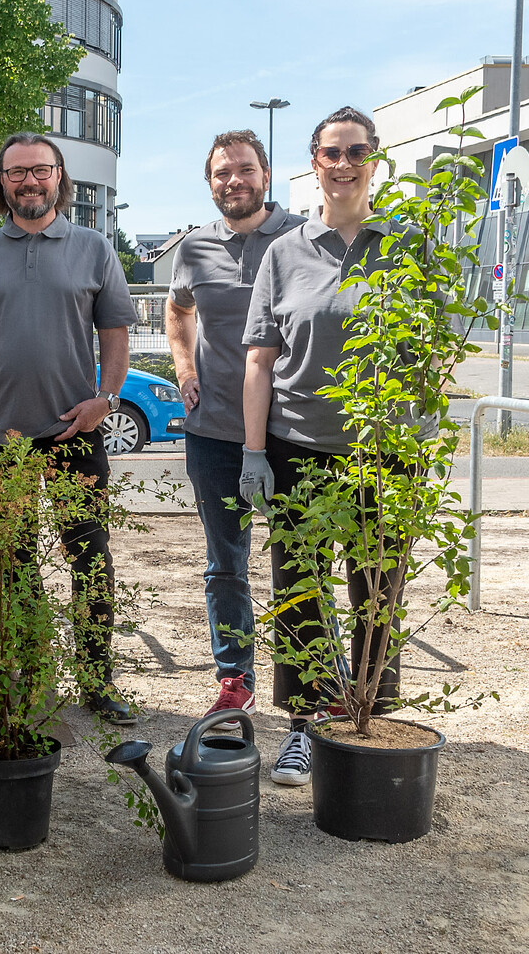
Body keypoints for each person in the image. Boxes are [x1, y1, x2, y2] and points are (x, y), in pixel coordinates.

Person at [0, 132, 138, 726]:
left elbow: (117, 334)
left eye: (40, 170)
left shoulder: (94, 248)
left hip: (75, 433)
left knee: (90, 559)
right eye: (16, 173)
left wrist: (106, 398)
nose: (29, 181)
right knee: (11, 562)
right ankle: (27, 677)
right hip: (0, 441)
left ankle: (98, 681)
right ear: (2, 183)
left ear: (59, 177)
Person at [238, 105, 400, 787]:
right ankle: (303, 726)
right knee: (301, 589)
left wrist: (413, 434)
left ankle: (367, 721)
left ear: (374, 159)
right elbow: (259, 361)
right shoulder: (285, 252)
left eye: (356, 151)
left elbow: (429, 355)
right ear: (314, 161)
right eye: (331, 152)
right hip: (298, 444)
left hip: (380, 453)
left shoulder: (406, 248)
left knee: (378, 589)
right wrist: (253, 453)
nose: (344, 163)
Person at [164, 129, 305, 728]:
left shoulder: (304, 237)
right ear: (210, 181)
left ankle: (310, 690)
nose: (234, 181)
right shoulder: (194, 248)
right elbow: (177, 309)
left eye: (244, 169)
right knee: (226, 562)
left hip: (294, 429)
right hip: (216, 428)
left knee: (302, 560)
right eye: (222, 173)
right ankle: (234, 678)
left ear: (266, 175)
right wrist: (184, 365)